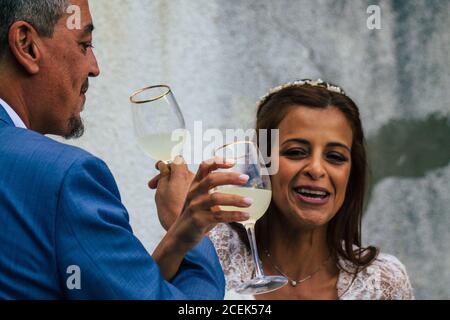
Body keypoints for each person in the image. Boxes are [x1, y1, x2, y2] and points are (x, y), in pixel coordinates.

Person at [0, 0, 251, 299]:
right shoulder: (64, 176)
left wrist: (182, 232)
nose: (94, 68)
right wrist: (194, 230)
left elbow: (116, 287)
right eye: (84, 44)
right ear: (27, 45)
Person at [156, 79, 415, 300]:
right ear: (261, 163)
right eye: (295, 152)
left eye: (335, 157)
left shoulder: (384, 282)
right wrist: (180, 231)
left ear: (352, 172)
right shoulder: (210, 248)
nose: (316, 169)